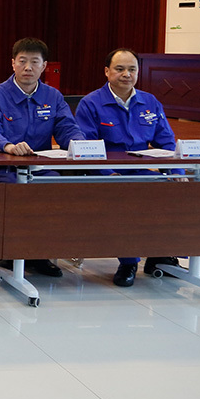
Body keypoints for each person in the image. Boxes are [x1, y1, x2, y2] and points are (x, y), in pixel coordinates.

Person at [0, 37, 84, 278]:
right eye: (22, 61)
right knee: (14, 192)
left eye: (34, 62)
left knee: (56, 188)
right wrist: (7, 146)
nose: (28, 67)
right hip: (4, 169)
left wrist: (79, 144)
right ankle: (10, 254)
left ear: (44, 66)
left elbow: (67, 127)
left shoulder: (53, 96)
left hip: (40, 169)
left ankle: (38, 254)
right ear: (12, 63)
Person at [76, 48, 180, 287]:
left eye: (132, 69)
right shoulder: (91, 103)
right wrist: (107, 172)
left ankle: (161, 255)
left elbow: (166, 142)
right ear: (107, 71)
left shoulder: (150, 101)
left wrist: (176, 172)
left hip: (141, 169)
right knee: (125, 194)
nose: (126, 74)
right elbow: (85, 147)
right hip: (106, 172)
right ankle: (129, 262)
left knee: (176, 190)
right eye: (120, 69)